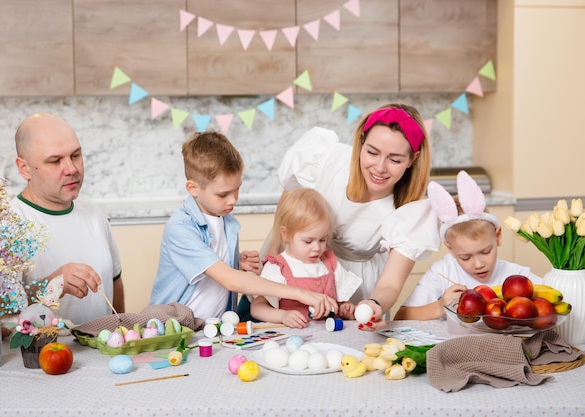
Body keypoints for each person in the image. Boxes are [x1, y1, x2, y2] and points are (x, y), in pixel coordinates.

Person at [269, 103, 441, 331]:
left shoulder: (407, 211)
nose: (379, 167)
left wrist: (375, 304)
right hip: (294, 264)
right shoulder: (326, 160)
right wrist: (271, 258)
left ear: (412, 159)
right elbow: (288, 206)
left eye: (395, 160)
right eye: (371, 152)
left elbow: (390, 284)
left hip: (354, 286)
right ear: (360, 142)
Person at [149, 131, 337, 321]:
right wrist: (300, 293)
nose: (233, 200)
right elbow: (229, 280)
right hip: (175, 328)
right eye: (223, 194)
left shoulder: (226, 220)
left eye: (237, 189)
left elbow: (212, 267)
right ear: (193, 188)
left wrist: (235, 261)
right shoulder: (180, 228)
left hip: (214, 327)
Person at [11, 112, 124, 325]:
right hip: (41, 356)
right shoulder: (7, 226)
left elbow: (115, 283)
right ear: (24, 168)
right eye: (55, 161)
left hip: (102, 353)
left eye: (75, 155)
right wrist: (51, 287)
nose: (71, 169)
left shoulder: (94, 213)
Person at [394, 170, 541, 321]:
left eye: (485, 252)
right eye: (465, 257)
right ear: (450, 248)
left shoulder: (518, 276)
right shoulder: (442, 272)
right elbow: (400, 317)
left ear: (497, 236)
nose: (478, 264)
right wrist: (440, 306)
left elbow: (560, 300)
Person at [251, 188, 362, 328]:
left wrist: (344, 308)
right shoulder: (277, 268)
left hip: (331, 339)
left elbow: (340, 303)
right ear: (285, 234)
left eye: (322, 240)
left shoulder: (330, 263)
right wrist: (283, 316)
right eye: (308, 241)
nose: (316, 248)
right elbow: (257, 308)